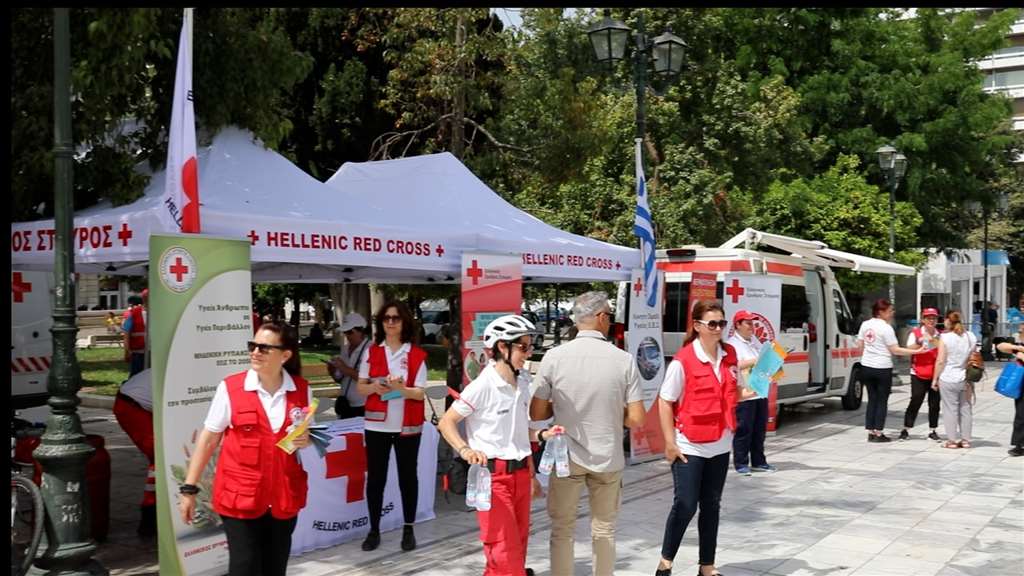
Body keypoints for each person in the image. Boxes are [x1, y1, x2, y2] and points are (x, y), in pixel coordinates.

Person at [178, 323, 311, 576]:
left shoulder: (301, 389)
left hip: (284, 497)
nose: (255, 352)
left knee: (275, 568)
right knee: (244, 566)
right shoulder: (231, 388)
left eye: (264, 348)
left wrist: (306, 439)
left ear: (285, 355)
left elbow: (302, 434)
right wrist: (189, 488)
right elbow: (208, 439)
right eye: (253, 346)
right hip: (241, 497)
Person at [530, 291, 645, 576]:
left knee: (562, 529)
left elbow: (537, 413)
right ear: (602, 317)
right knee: (604, 530)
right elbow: (636, 419)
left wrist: (561, 407)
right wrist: (612, 413)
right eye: (610, 316)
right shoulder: (623, 360)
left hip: (566, 457)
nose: (611, 322)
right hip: (607, 457)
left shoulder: (554, 357)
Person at [438, 315, 557, 576]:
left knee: (516, 548)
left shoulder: (522, 382)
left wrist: (543, 435)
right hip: (493, 478)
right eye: (523, 347)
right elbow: (447, 422)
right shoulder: (483, 385)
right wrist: (465, 450)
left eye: (531, 346)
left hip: (520, 474)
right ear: (503, 347)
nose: (529, 353)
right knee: (505, 552)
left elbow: (520, 433)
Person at [655, 300, 755, 576]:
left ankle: (707, 567)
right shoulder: (684, 360)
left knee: (711, 506)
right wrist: (669, 443)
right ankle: (665, 562)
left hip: (720, 444)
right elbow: (665, 401)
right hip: (690, 445)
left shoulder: (730, 354)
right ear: (697, 326)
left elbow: (734, 393)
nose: (718, 329)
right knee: (686, 504)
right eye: (712, 324)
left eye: (722, 323)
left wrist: (756, 388)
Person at [356, 301, 428, 552]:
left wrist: (401, 389)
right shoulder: (372, 352)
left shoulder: (416, 354)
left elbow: (420, 393)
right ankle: (374, 530)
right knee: (376, 479)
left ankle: (408, 528)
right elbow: (361, 387)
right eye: (386, 318)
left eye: (395, 318)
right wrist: (375, 387)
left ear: (404, 322)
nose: (390, 322)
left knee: (408, 478)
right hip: (377, 426)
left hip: (407, 427)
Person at [854, 299, 926, 442]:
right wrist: (917, 351)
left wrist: (867, 356)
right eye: (890, 310)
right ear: (881, 312)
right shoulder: (886, 328)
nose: (893, 313)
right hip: (882, 367)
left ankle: (870, 431)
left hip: (866, 366)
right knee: (882, 400)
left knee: (872, 399)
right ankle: (879, 432)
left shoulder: (865, 324)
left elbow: (860, 345)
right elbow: (895, 350)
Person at [727, 309, 774, 475]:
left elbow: (763, 360)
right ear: (738, 325)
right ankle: (741, 463)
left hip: (759, 391)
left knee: (759, 429)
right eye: (747, 323)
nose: (751, 326)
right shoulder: (732, 344)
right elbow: (734, 365)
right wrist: (756, 360)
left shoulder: (754, 341)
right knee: (744, 429)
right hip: (744, 393)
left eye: (752, 323)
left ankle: (759, 461)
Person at [112, 368, 156, 537]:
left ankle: (152, 514)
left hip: (135, 402)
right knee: (159, 458)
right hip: (133, 407)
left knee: (160, 458)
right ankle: (150, 514)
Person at [932, 311, 978, 449]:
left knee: (950, 409)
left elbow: (941, 360)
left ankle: (951, 441)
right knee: (965, 408)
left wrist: (935, 379)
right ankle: (965, 440)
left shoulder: (945, 337)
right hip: (965, 377)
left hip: (948, 377)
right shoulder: (970, 336)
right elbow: (973, 357)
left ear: (947, 321)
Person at [899, 308, 943, 441]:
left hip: (935, 373)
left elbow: (943, 348)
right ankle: (906, 428)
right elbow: (908, 348)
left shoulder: (940, 334)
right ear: (923, 320)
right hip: (918, 371)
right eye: (928, 318)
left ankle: (932, 430)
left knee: (934, 403)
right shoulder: (916, 333)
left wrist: (932, 340)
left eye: (934, 318)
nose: (931, 321)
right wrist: (920, 341)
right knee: (916, 399)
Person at [327, 312, 371, 419]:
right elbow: (340, 379)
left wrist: (344, 368)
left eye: (350, 332)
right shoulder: (345, 348)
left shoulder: (371, 349)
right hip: (345, 404)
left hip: (364, 405)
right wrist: (332, 370)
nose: (347, 335)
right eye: (345, 332)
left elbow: (369, 380)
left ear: (361, 331)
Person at [995, 340, 1024, 456]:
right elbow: (1000, 346)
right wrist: (1019, 348)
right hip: (1022, 385)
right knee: (1021, 415)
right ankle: (1019, 445)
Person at [122, 290, 148, 376]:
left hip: (154, 353)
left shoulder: (159, 313)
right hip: (138, 353)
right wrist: (127, 351)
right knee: (136, 376)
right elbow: (126, 333)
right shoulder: (134, 313)